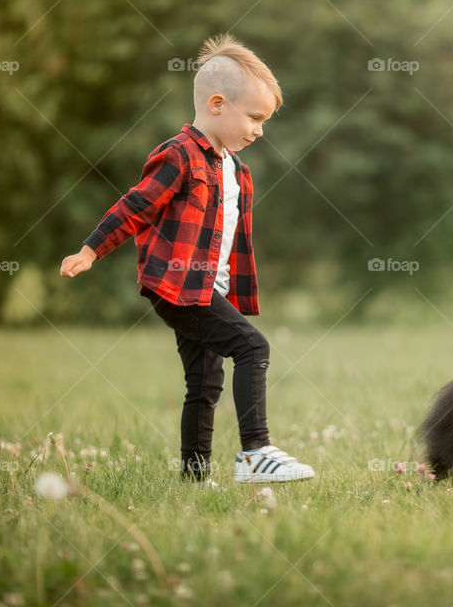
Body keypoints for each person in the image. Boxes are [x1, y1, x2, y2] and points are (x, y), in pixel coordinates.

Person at [59, 34, 314, 483]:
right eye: (254, 118)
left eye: (264, 121)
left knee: (204, 382)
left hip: (206, 289)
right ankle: (256, 453)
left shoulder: (234, 167)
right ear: (217, 104)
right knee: (252, 346)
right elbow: (136, 206)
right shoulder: (179, 155)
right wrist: (90, 249)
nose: (259, 130)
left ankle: (193, 479)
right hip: (177, 286)